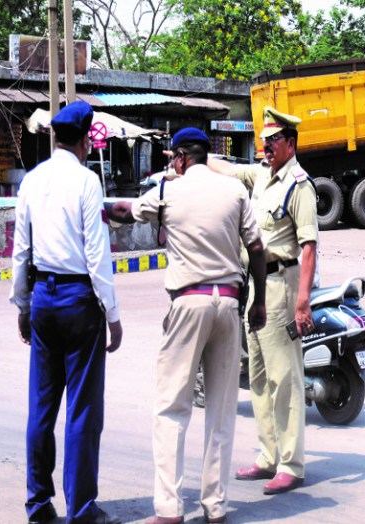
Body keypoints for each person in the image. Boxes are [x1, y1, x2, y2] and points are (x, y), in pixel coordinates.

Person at [104, 128, 267, 524]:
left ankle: (169, 508)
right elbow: (257, 249)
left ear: (179, 158)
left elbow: (126, 212)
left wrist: (96, 207)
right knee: (222, 410)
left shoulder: (167, 191)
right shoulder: (234, 191)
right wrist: (259, 301)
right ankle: (216, 506)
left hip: (188, 302)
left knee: (171, 408)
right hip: (228, 303)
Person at [9, 100, 123, 524]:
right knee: (81, 408)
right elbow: (97, 256)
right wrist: (112, 314)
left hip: (43, 297)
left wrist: (23, 305)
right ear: (86, 142)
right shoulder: (87, 182)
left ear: (55, 137)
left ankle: (38, 504)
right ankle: (81, 508)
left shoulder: (33, 181)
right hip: (78, 300)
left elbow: (21, 251)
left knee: (42, 406)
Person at [208, 106, 318, 495]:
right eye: (264, 143)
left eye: (273, 142)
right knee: (257, 375)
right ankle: (268, 454)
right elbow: (231, 170)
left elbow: (308, 248)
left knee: (284, 376)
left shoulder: (299, 186)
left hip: (281, 286)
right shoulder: (262, 176)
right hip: (254, 287)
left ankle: (291, 463)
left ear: (290, 143)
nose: (266, 148)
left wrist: (302, 302)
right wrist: (197, 156)